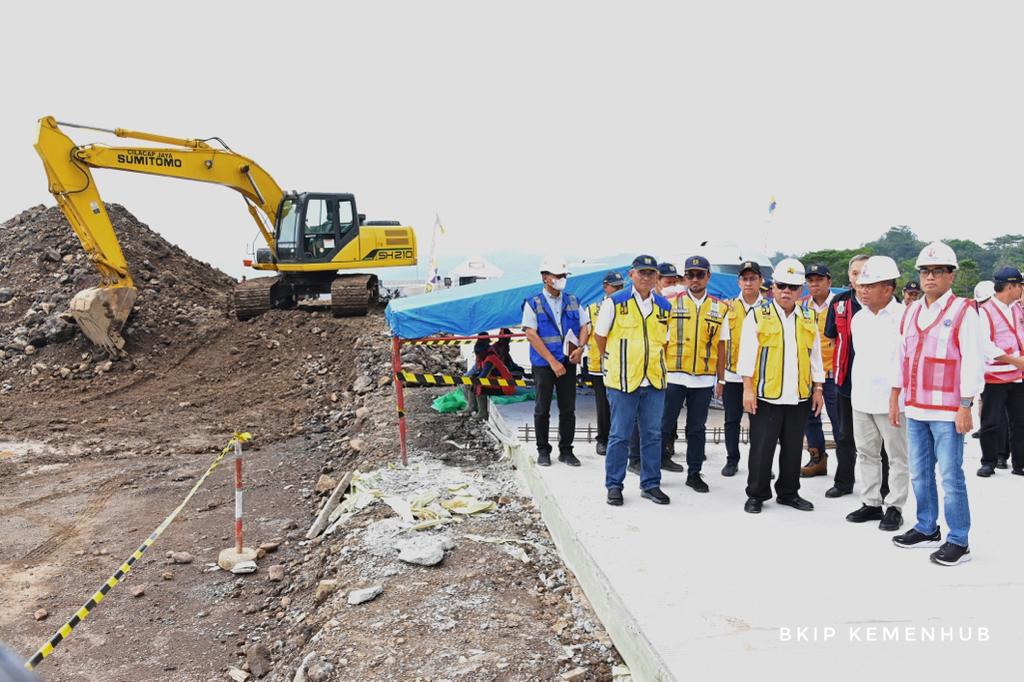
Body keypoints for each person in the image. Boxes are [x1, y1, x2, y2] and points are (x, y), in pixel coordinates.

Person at [890, 242, 984, 566]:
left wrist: (966, 404)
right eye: (925, 271)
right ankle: (926, 526)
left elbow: (973, 359)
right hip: (916, 407)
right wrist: (895, 396)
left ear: (950, 276)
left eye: (938, 271)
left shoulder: (963, 311)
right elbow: (901, 356)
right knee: (919, 474)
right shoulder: (913, 310)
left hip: (947, 411)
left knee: (950, 477)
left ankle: (958, 539)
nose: (930, 277)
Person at [739, 258, 825, 514]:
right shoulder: (758, 315)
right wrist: (747, 388)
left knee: (792, 448)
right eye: (782, 285)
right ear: (773, 287)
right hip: (766, 395)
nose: (787, 291)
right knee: (761, 448)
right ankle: (756, 493)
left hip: (798, 395)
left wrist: (818, 388)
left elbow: (815, 355)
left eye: (793, 287)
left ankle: (789, 492)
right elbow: (747, 354)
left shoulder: (809, 317)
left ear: (801, 291)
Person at [595, 255, 672, 506]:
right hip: (623, 381)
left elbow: (665, 341)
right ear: (631, 274)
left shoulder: (664, 306)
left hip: (654, 381)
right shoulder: (615, 303)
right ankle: (614, 485)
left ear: (656, 277)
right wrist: (616, 360)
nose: (646, 277)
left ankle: (651, 484)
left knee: (652, 434)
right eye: (642, 272)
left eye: (651, 273)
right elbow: (600, 336)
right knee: (619, 435)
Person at [845, 256, 909, 531]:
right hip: (862, 397)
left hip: (892, 399)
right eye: (861, 285)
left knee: (897, 456)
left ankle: (895, 505)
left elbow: (905, 362)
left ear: (888, 288)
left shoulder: (904, 317)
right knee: (866, 452)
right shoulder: (858, 319)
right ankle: (871, 502)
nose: (862, 290)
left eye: (870, 285)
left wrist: (897, 396)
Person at [661, 255, 728, 492]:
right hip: (673, 376)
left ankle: (694, 473)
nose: (695, 279)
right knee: (664, 424)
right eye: (690, 275)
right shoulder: (670, 302)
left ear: (708, 276)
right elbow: (661, 341)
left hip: (703, 378)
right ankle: (653, 468)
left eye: (700, 274)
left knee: (697, 429)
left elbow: (721, 345)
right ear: (684, 278)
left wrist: (721, 379)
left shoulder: (720, 308)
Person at [823, 254, 888, 498]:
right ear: (849, 277)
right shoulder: (839, 303)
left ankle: (884, 487)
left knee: (882, 441)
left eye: (866, 272)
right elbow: (831, 338)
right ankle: (844, 481)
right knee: (844, 435)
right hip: (846, 382)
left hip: (879, 384)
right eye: (855, 273)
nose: (861, 278)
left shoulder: (888, 305)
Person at [522, 255, 589, 468]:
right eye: (557, 276)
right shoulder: (533, 303)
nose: (561, 279)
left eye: (563, 275)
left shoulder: (573, 300)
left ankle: (566, 451)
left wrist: (580, 349)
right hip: (544, 364)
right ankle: (543, 451)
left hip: (568, 362)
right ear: (545, 277)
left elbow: (585, 326)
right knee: (542, 409)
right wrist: (552, 362)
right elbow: (531, 335)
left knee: (568, 408)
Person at [976, 266, 1024, 477]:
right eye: (1020, 285)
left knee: (1020, 422)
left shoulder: (1017, 308)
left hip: (1018, 375)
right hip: (994, 375)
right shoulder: (985, 311)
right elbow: (985, 346)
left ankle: (1020, 463)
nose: (1022, 289)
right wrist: (1014, 360)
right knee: (991, 422)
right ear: (1011, 286)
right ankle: (989, 461)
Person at [720, 260, 764, 476]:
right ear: (738, 282)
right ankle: (732, 459)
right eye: (744, 279)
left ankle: (759, 462)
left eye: (752, 278)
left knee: (760, 424)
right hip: (732, 374)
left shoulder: (768, 309)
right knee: (731, 420)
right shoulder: (727, 307)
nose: (748, 282)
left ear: (760, 281)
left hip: (759, 376)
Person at [799, 264, 839, 478]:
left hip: (833, 373)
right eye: (810, 280)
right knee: (810, 418)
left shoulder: (839, 305)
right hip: (809, 374)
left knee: (838, 420)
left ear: (829, 281)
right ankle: (817, 458)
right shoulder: (801, 306)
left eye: (819, 280)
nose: (814, 284)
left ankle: (845, 466)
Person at [583, 271, 626, 456]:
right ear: (605, 286)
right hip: (599, 365)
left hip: (622, 364)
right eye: (614, 287)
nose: (617, 291)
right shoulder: (593, 309)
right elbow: (586, 332)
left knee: (622, 405)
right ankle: (603, 439)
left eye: (620, 287)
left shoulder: (627, 308)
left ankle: (621, 439)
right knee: (603, 405)